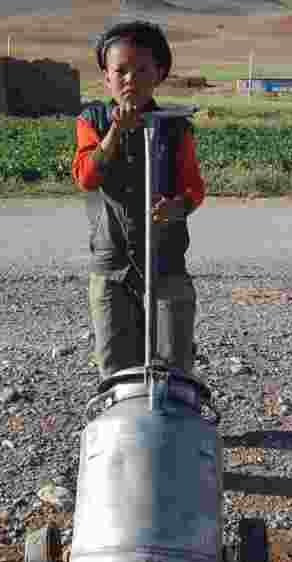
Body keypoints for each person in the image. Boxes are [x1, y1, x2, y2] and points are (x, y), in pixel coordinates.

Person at [71, 20, 206, 382]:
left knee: (174, 364)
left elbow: (194, 189)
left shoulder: (176, 126)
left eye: (142, 69)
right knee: (116, 366)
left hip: (166, 262)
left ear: (159, 74)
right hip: (112, 264)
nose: (131, 78)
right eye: (121, 70)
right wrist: (116, 131)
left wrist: (178, 207)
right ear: (106, 77)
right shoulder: (93, 120)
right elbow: (86, 176)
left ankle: (176, 430)